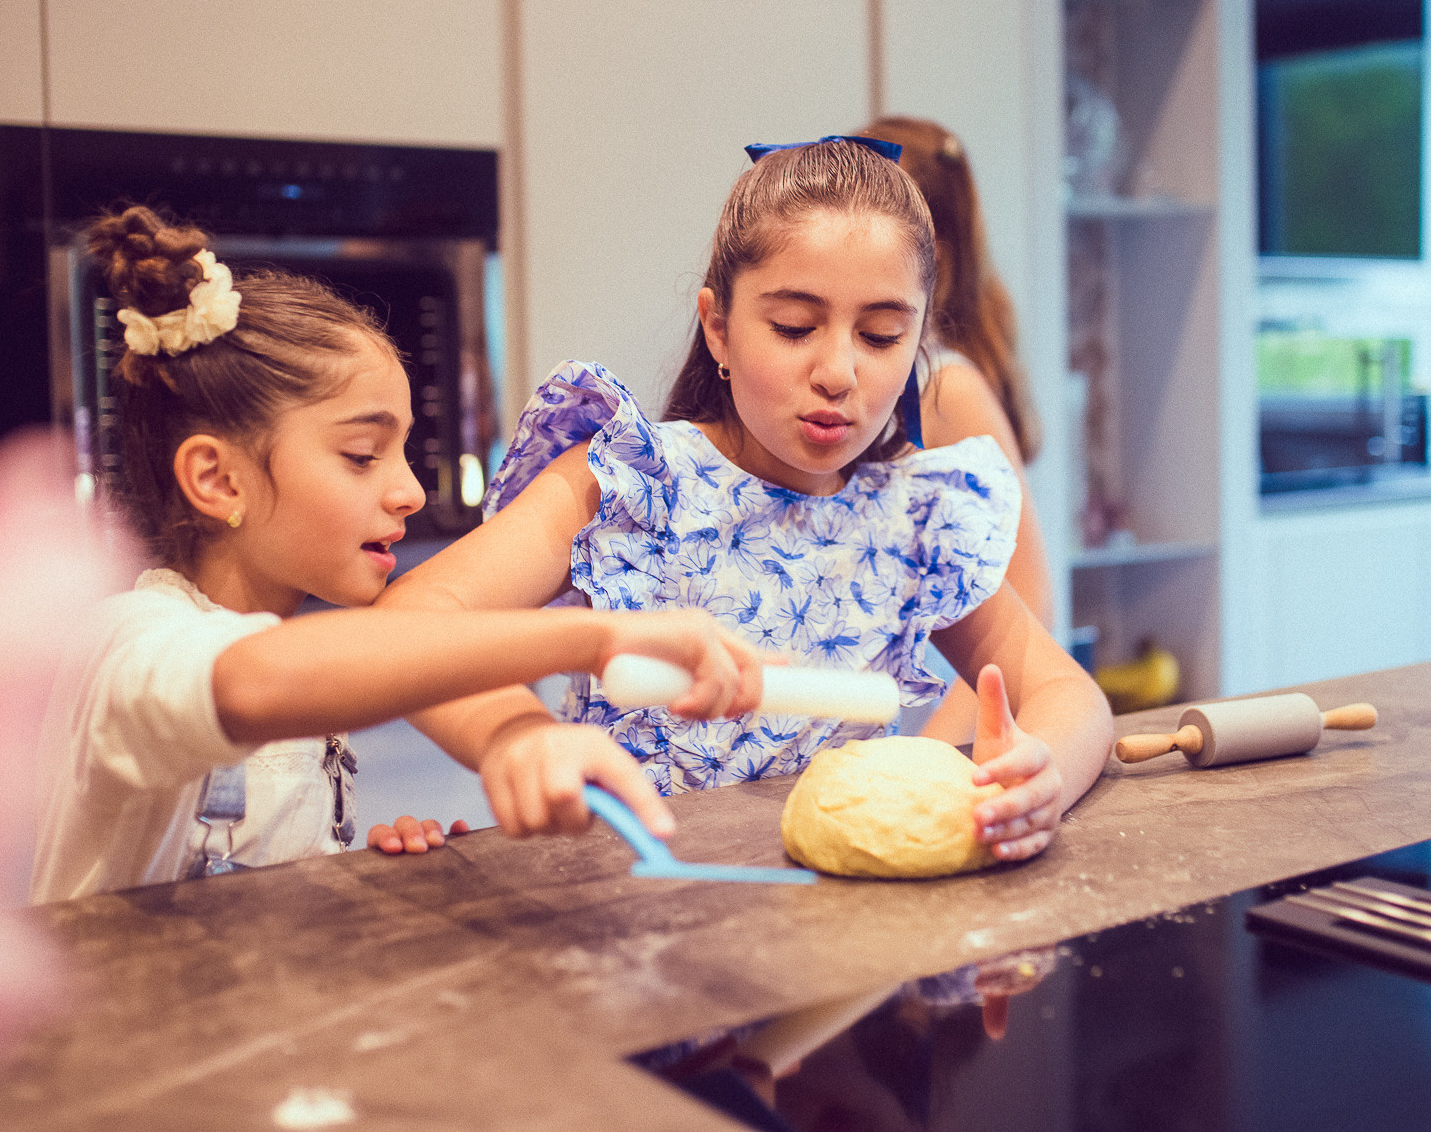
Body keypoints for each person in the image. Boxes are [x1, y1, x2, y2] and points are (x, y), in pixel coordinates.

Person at [383, 138, 1112, 862]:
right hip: (631, 923)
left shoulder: (912, 518)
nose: (838, 371)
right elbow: (405, 625)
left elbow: (1069, 696)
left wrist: (1038, 771)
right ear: (719, 327)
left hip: (840, 934)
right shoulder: (629, 485)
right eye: (795, 327)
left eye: (882, 334)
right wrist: (520, 734)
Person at [30, 206, 770, 903]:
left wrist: (345, 874)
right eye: (361, 455)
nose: (411, 491)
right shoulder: (128, 641)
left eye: (404, 451)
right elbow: (259, 680)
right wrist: (597, 637)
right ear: (219, 478)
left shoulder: (298, 647)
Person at [857, 115, 1050, 746]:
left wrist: (933, 756)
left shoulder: (946, 386)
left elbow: (1030, 599)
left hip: (944, 727)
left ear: (929, 259)